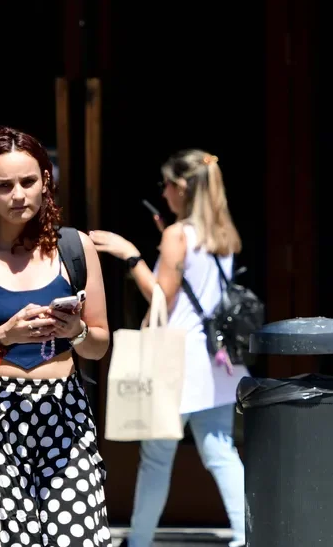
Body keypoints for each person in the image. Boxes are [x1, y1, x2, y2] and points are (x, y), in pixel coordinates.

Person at [0, 126, 112, 547]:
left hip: (65, 413)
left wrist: (77, 330)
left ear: (46, 183)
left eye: (29, 182)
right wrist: (2, 336)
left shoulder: (75, 247)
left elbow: (99, 344)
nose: (18, 195)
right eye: (4, 186)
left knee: (80, 538)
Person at [89, 150, 247, 547]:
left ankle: (139, 540)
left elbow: (162, 296)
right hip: (217, 359)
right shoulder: (222, 235)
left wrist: (131, 255)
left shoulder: (177, 235)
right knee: (220, 449)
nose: (163, 194)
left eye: (166, 186)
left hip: (177, 358)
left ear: (180, 188)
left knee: (158, 456)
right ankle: (247, 533)